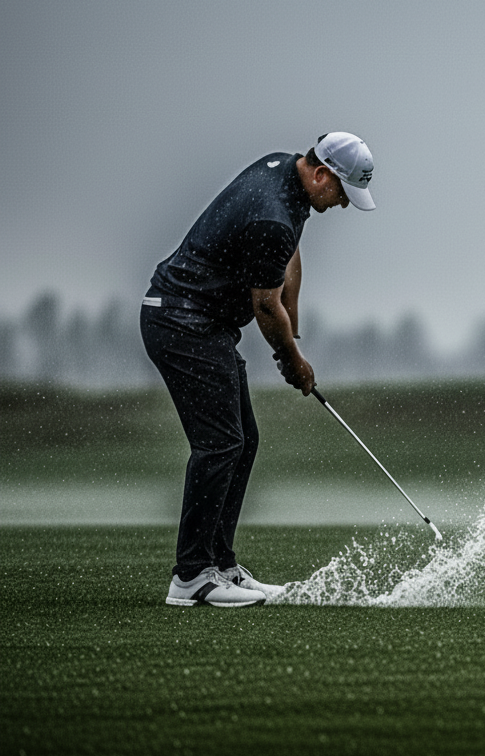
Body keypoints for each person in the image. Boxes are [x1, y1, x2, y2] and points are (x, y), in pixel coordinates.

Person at [141, 132, 376, 607]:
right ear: (322, 174)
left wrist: (296, 332)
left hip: (200, 324)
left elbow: (288, 261)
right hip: (183, 322)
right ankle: (191, 578)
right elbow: (266, 307)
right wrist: (294, 362)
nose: (344, 206)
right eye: (342, 194)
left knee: (242, 441)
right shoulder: (272, 213)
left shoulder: (284, 173)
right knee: (220, 443)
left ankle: (220, 565)